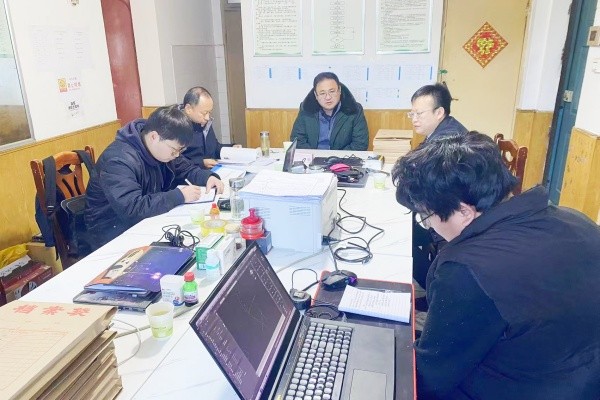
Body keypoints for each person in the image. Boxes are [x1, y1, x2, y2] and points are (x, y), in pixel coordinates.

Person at [392, 132, 600, 399]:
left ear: (464, 212)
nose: (429, 225)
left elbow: (429, 377)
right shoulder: (574, 218)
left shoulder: (466, 270)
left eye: (426, 216)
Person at [85, 105, 224, 250]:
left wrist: (208, 177)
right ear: (153, 137)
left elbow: (186, 169)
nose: (177, 155)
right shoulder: (118, 160)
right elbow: (132, 209)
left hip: (146, 222)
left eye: (180, 150)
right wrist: (179, 196)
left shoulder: (162, 148)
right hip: (112, 232)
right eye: (174, 150)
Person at [409, 83, 468, 290]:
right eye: (412, 113)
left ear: (439, 112)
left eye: (419, 114)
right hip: (446, 210)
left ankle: (431, 288)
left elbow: (421, 184)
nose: (414, 119)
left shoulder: (446, 141)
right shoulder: (440, 131)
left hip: (453, 218)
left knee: (402, 236)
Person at [290, 72, 368, 151]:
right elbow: (297, 141)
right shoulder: (306, 109)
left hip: (342, 158)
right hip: (313, 157)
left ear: (339, 90)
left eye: (332, 91)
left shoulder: (354, 110)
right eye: (322, 93)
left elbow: (360, 144)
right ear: (316, 95)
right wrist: (314, 156)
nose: (328, 97)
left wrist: (336, 157)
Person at [181, 86, 237, 168]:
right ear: (188, 109)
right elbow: (174, 162)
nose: (207, 117)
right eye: (204, 113)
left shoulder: (204, 122)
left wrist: (231, 148)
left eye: (209, 112)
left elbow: (214, 148)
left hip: (210, 171)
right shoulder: (176, 127)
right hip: (192, 173)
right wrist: (201, 163)